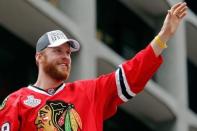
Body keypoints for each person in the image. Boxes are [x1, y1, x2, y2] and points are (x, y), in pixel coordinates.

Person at [0, 2, 187, 131]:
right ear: (39, 56)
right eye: (58, 51)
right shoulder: (16, 101)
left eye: (68, 52)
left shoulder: (89, 92)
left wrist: (163, 37)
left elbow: (132, 73)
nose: (65, 57)